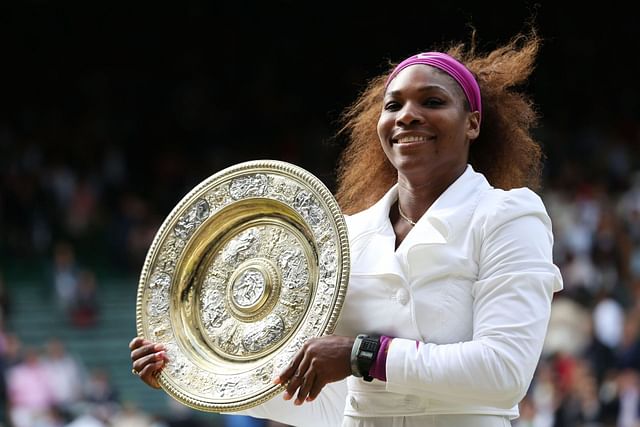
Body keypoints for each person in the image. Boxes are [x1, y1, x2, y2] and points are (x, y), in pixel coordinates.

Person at [130, 29, 563, 426]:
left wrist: (363, 355)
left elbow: (504, 371)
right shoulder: (347, 236)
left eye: (432, 102)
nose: (407, 116)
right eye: (393, 105)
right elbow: (328, 405)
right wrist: (187, 374)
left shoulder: (507, 215)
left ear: (472, 122)